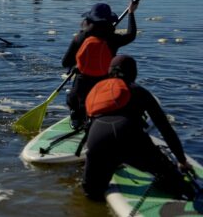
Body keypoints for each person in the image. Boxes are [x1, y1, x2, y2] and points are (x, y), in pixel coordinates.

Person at [82, 55, 196, 201]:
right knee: (180, 186)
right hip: (130, 136)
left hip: (98, 137)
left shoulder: (97, 90)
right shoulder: (139, 91)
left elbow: (88, 127)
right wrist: (181, 160)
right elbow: (165, 128)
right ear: (133, 73)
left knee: (91, 193)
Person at [62, 1, 138, 129]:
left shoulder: (79, 38)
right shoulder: (113, 39)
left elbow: (65, 63)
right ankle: (97, 121)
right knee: (100, 106)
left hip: (81, 83)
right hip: (103, 82)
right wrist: (131, 13)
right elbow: (131, 35)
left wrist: (75, 66)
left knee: (73, 100)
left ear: (89, 20)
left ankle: (76, 118)